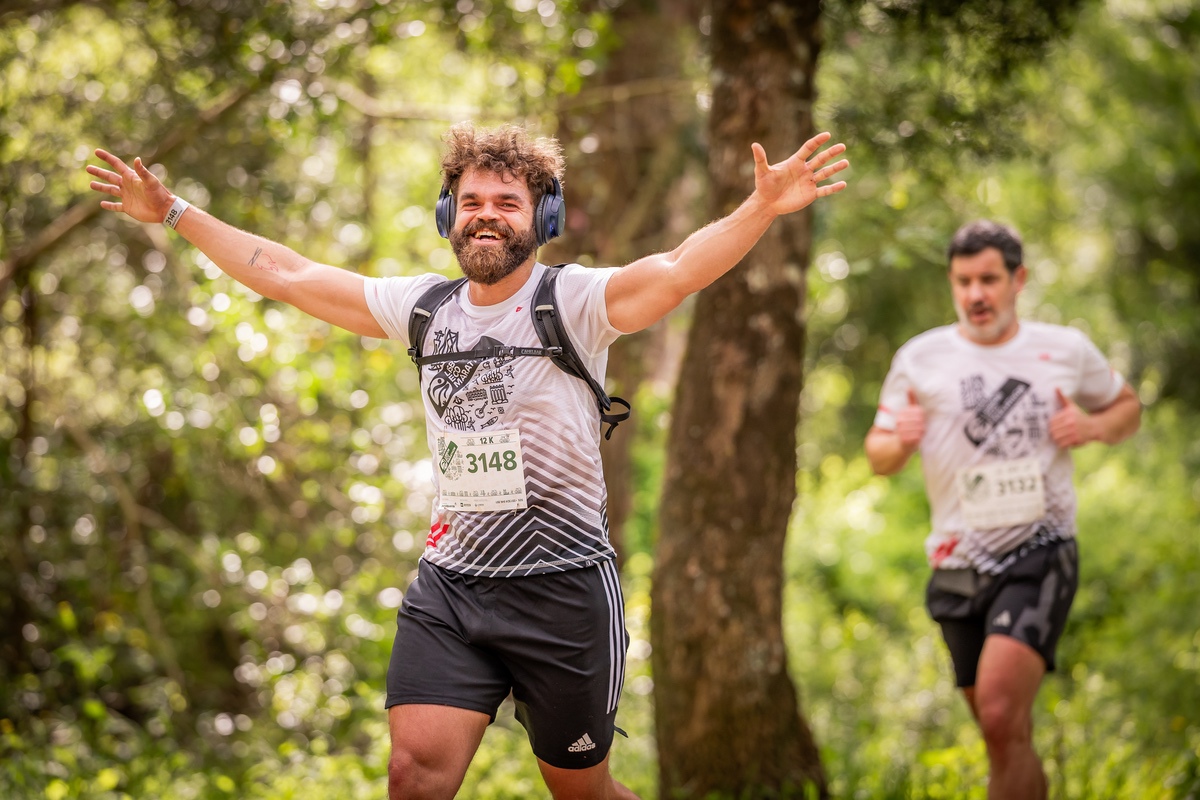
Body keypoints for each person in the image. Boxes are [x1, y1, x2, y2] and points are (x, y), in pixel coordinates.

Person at [88, 122, 848, 800]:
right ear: (448, 214)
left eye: (508, 203)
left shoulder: (574, 303)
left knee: (581, 792)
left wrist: (760, 209)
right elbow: (288, 274)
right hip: (451, 590)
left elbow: (679, 268)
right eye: (472, 201)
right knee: (414, 778)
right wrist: (175, 212)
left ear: (542, 218)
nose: (487, 214)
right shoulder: (423, 309)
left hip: (563, 591)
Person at [864, 220, 1141, 799]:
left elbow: (1127, 408)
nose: (975, 294)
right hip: (957, 561)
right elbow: (878, 454)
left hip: (1040, 550)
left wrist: (1091, 426)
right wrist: (900, 440)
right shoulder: (920, 357)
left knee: (997, 713)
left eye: (988, 279)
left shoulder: (1064, 349)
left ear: (1019, 279)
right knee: (1004, 734)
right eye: (963, 281)